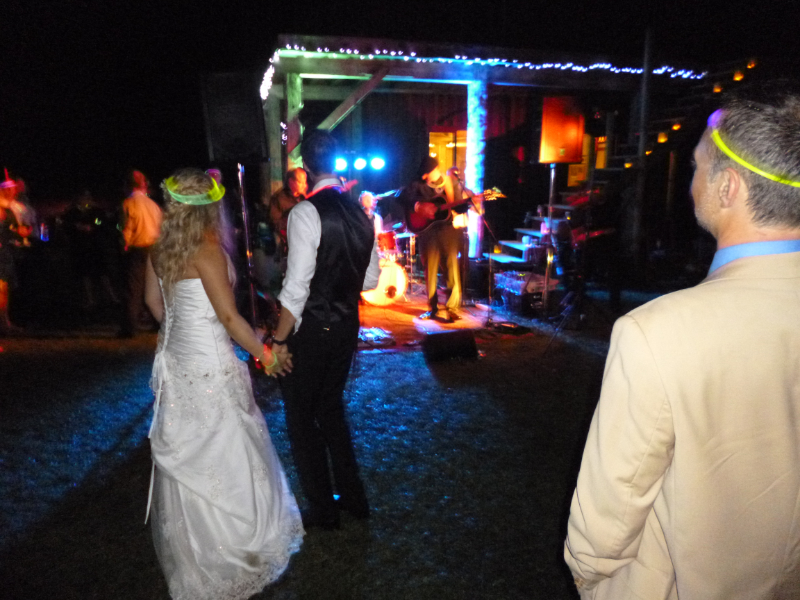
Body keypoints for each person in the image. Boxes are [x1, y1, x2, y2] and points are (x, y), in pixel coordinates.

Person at [564, 82, 800, 599]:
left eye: (697, 167)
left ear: (729, 188)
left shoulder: (656, 333)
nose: (691, 181)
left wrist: (592, 580)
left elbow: (607, 516)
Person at [144, 168, 303, 600]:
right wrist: (266, 354)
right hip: (210, 366)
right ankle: (235, 550)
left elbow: (154, 304)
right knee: (227, 449)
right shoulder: (207, 248)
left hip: (177, 364)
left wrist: (182, 334)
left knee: (193, 456)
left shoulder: (159, 247)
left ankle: (197, 556)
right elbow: (230, 319)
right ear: (210, 206)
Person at [272, 131, 380, 530]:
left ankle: (323, 508)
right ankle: (353, 497)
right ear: (337, 161)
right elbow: (369, 280)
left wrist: (280, 339)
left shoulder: (305, 213)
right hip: (347, 326)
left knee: (302, 417)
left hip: (314, 328)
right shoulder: (361, 213)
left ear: (307, 164)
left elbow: (296, 287)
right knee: (331, 409)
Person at [402, 157, 470, 322]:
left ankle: (452, 307)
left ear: (436, 169)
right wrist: (418, 206)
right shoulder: (418, 185)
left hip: (447, 230)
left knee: (452, 267)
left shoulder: (451, 183)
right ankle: (433, 308)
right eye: (423, 175)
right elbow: (402, 197)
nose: (425, 177)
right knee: (430, 270)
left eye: (427, 174)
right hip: (427, 232)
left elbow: (457, 207)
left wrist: (469, 202)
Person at [119, 170, 162, 337]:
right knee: (154, 288)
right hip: (155, 247)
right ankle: (159, 323)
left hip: (138, 248)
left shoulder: (128, 204)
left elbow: (126, 229)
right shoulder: (153, 205)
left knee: (133, 288)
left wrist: (124, 245)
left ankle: (129, 327)